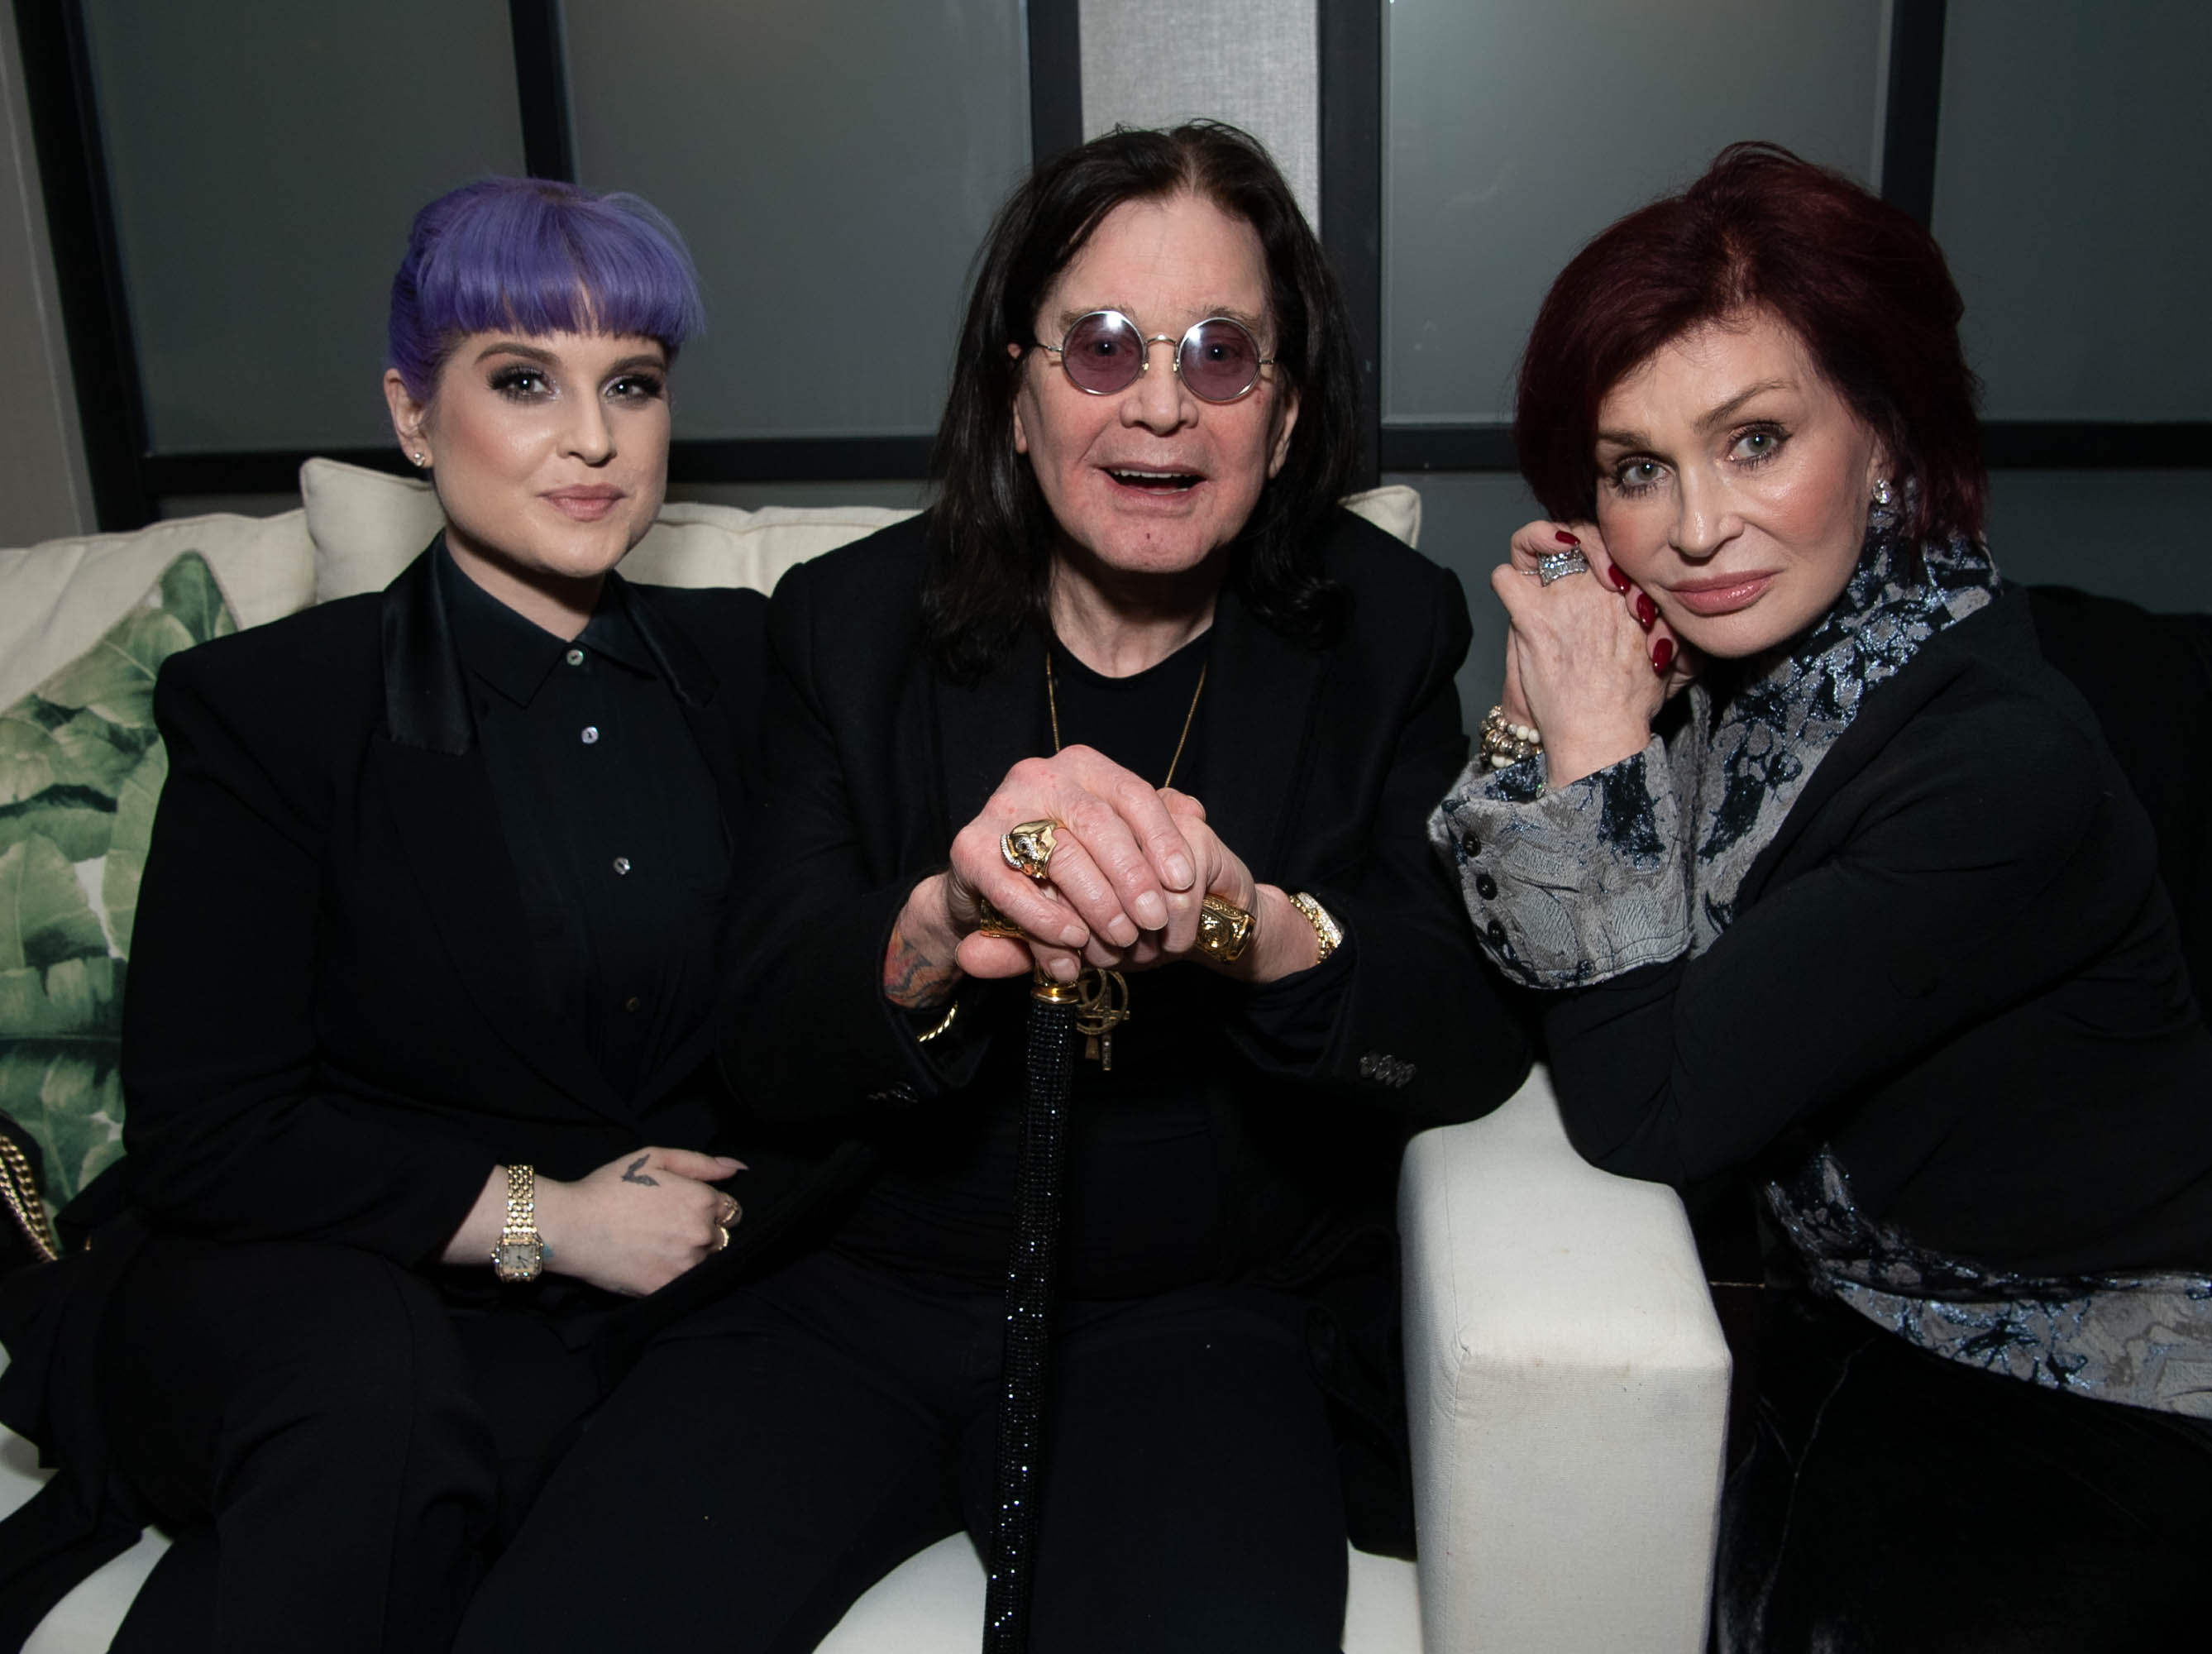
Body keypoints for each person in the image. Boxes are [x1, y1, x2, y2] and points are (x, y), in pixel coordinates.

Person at [458, 122, 1529, 1653]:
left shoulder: (1384, 632)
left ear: (1282, 422)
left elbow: (1464, 1035)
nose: (1160, 401)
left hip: (1199, 1319)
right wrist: (937, 930)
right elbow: (763, 1026)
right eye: (1099, 346)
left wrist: (1251, 924)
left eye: (1222, 354)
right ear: (1017, 394)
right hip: (846, 1289)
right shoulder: (846, 624)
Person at [1435, 143, 2212, 1652]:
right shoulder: (1742, 670)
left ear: (1887, 441)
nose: (1697, 530)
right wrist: (1557, 726)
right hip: (1877, 1303)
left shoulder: (1997, 764)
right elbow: (1527, 957)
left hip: (2159, 1367)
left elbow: (1646, 1111)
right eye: (1637, 467)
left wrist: (1594, 751)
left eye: (1757, 440)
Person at [0, 177, 828, 1653]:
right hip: (304, 1278)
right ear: (411, 414)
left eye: (630, 385)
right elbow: (214, 1136)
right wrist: (550, 1222)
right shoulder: (278, 711)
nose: (593, 438)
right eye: (524, 380)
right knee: (374, 1399)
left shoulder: (752, 667)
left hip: (589, 1324)